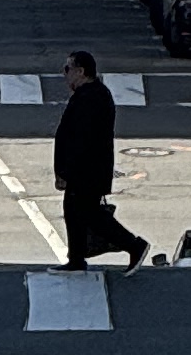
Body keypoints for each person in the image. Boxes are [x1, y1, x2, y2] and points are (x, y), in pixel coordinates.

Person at [52, 48, 148, 270]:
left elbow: (80, 139)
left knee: (91, 214)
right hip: (86, 170)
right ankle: (76, 259)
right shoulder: (90, 95)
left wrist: (66, 171)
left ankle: (134, 245)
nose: (65, 74)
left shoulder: (92, 97)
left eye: (68, 69)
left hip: (87, 170)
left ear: (81, 71)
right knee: (74, 211)